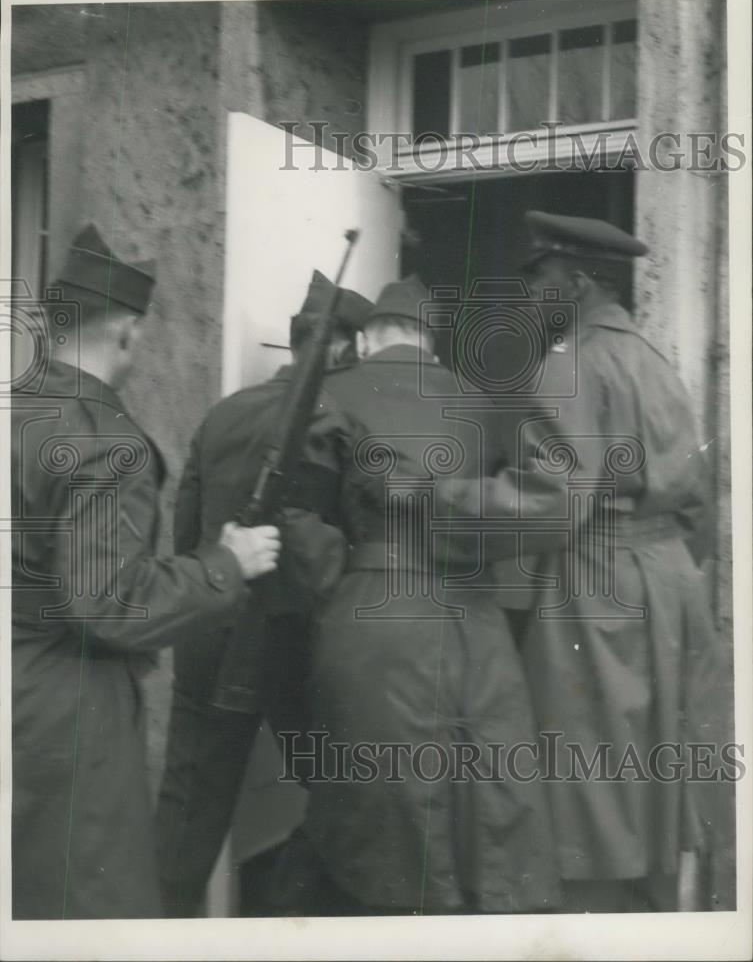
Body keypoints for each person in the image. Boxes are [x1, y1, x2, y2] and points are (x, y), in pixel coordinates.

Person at [438, 211, 728, 912]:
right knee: (656, 784)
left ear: (574, 281)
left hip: (597, 587)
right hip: (668, 585)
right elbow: (697, 507)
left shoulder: (571, 361)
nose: (531, 300)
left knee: (586, 785)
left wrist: (441, 498)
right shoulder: (655, 362)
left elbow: (551, 500)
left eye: (539, 283)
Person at [10, 225, 281, 920]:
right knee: (86, 907)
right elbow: (104, 602)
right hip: (65, 711)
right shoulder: (105, 442)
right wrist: (226, 565)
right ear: (127, 334)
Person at [274, 276, 561, 915]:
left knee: (381, 836)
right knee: (483, 820)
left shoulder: (324, 393)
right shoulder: (483, 402)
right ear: (431, 345)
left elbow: (292, 516)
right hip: (475, 628)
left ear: (370, 337)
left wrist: (339, 591)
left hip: (374, 624)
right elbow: (543, 506)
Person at [155, 272, 373, 917]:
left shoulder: (222, 414)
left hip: (213, 635)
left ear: (294, 342)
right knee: (341, 803)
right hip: (296, 649)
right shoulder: (340, 423)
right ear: (343, 351)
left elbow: (189, 531)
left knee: (185, 828)